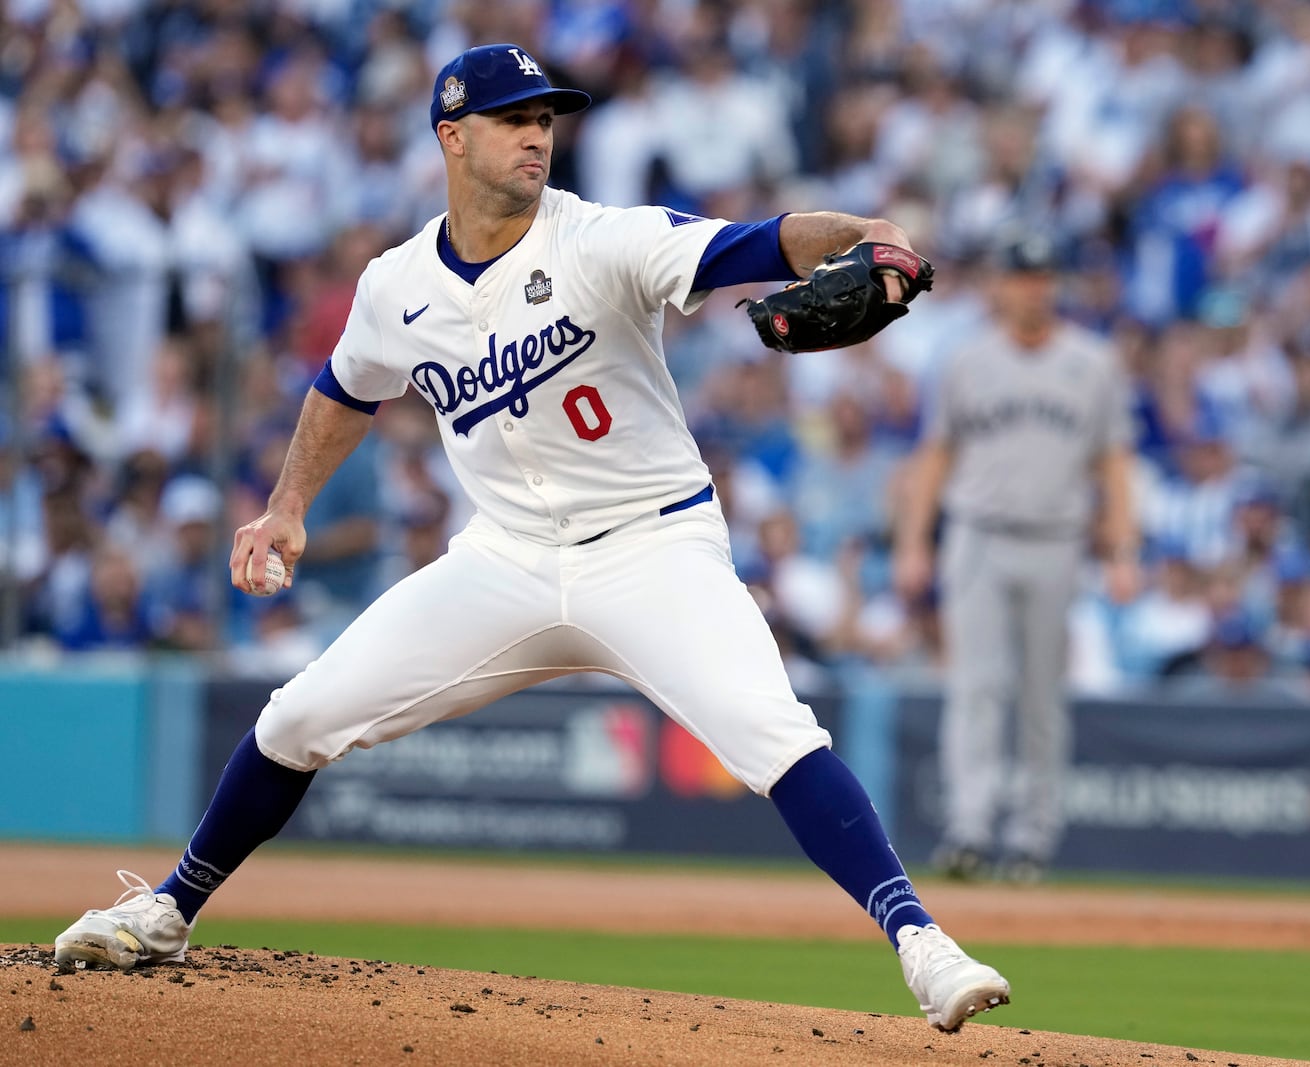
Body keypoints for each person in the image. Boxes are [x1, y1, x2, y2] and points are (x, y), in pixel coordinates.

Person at [53, 44, 1009, 1034]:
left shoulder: (602, 239)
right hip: (503, 559)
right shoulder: (397, 284)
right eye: (514, 120)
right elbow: (346, 387)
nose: (535, 138)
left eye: (545, 121)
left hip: (653, 548)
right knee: (297, 717)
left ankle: (921, 943)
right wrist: (287, 503)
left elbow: (760, 243)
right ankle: (170, 906)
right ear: (451, 135)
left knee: (774, 732)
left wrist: (866, 231)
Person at [893, 233, 1140, 883]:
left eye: (1042, 275)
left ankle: (1032, 838)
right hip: (978, 532)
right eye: (1021, 275)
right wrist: (915, 541)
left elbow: (1113, 461)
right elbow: (935, 454)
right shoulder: (966, 360)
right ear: (1000, 284)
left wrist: (1122, 548)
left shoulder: (1094, 362)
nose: (1033, 287)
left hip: (1057, 536)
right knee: (975, 686)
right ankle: (970, 830)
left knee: (1040, 697)